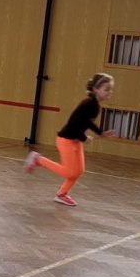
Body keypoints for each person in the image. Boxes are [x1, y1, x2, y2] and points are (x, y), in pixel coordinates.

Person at [24, 73, 116, 206]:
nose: (109, 92)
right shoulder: (89, 104)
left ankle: (62, 194)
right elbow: (74, 124)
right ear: (96, 89)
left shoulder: (94, 105)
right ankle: (38, 159)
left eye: (110, 90)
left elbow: (87, 122)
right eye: (106, 89)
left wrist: (101, 132)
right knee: (69, 172)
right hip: (66, 139)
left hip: (74, 139)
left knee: (79, 170)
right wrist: (84, 138)